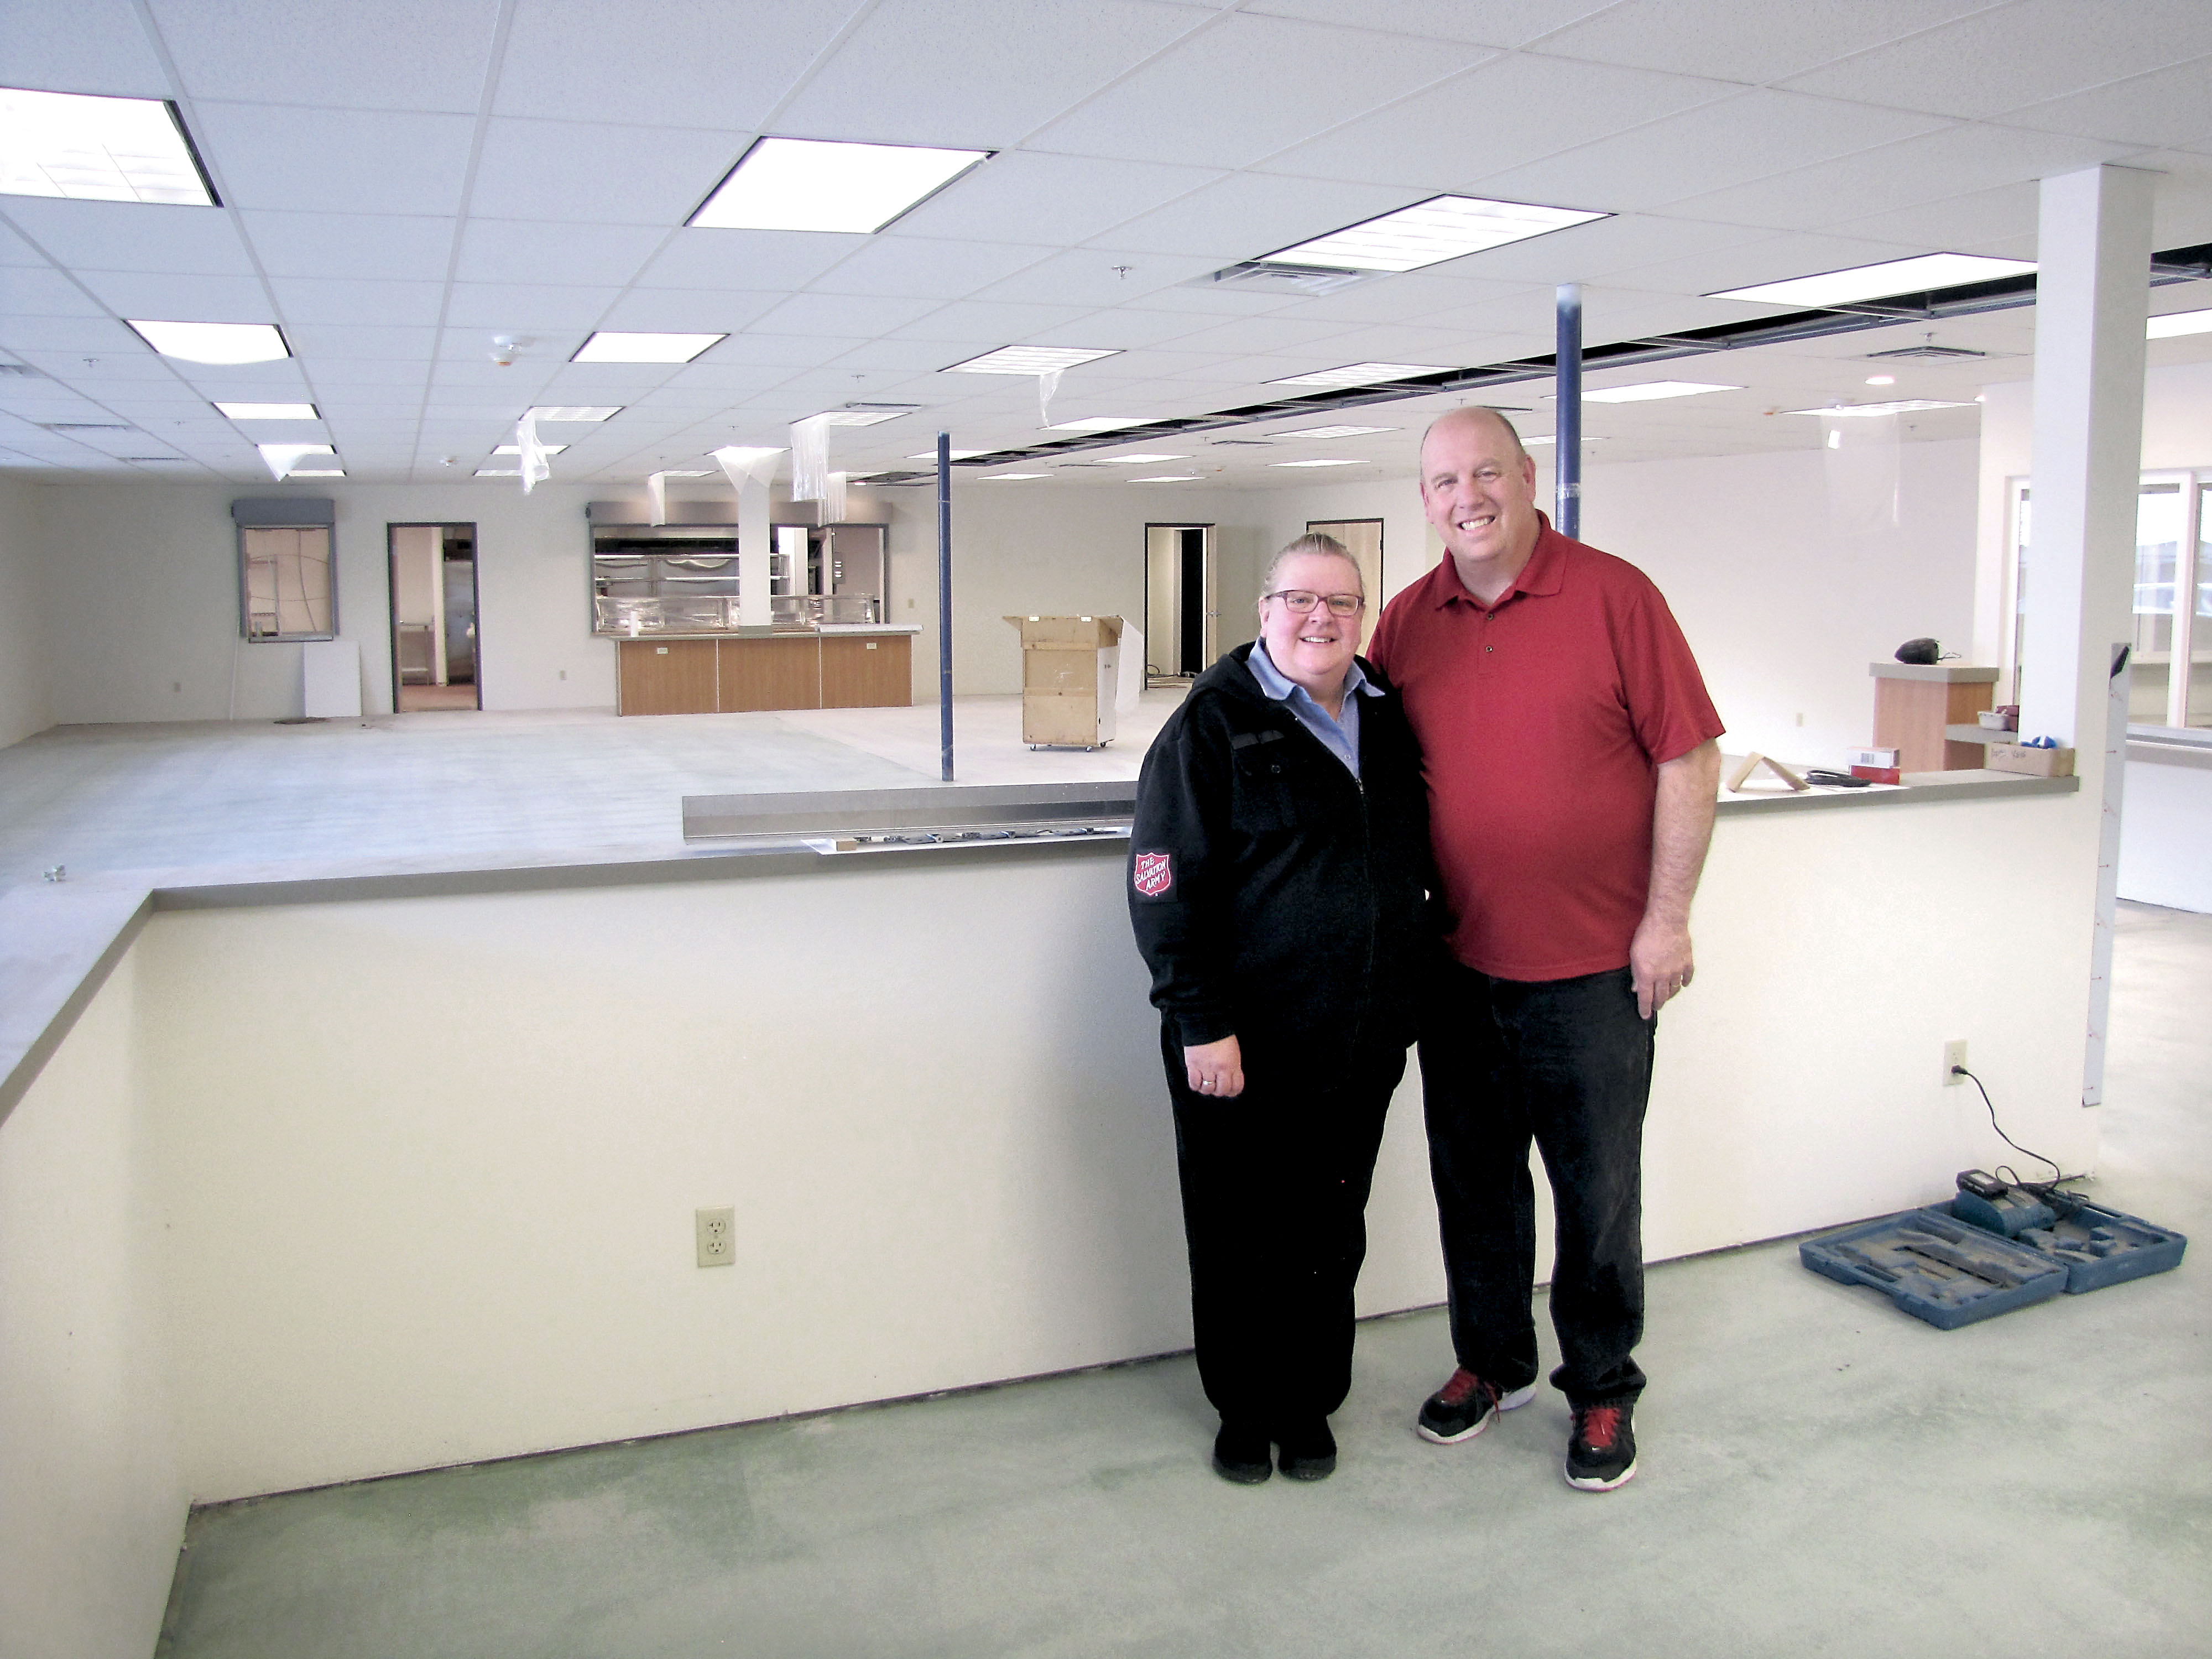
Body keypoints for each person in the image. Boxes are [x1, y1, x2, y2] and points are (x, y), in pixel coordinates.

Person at [1368, 406, 1723, 1494]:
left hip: (1593, 976)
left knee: (1595, 1193)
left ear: (1528, 478)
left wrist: (1664, 919)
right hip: (1457, 970)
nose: (1464, 497)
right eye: (1441, 481)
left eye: (1485, 473)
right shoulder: (1403, 620)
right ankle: (1491, 1362)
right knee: (1472, 1188)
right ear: (1422, 496)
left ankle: (1603, 1387)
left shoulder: (1617, 597)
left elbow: (1688, 760)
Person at [1128, 534, 1439, 1485]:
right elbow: (1160, 881)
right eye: (1300, 600)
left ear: (1363, 615)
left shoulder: (1388, 717)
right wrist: (1199, 1019)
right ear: (1264, 611)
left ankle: (1309, 1402)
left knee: (1329, 1227)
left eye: (1342, 604)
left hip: (1359, 1037)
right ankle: (1243, 1408)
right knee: (1236, 1230)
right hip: (1241, 1041)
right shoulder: (1212, 724)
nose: (1320, 620)